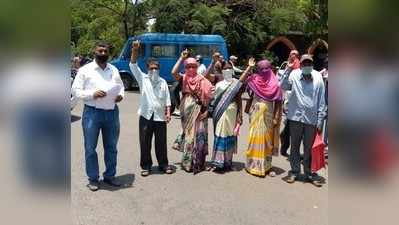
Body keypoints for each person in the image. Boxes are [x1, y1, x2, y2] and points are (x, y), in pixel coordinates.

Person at [72, 41, 124, 191]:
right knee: (90, 148)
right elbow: (75, 91)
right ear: (94, 52)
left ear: (109, 53)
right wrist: (92, 94)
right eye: (100, 51)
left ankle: (110, 176)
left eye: (105, 51)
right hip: (92, 113)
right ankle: (93, 178)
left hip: (112, 112)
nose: (103, 53)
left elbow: (120, 87)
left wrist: (120, 96)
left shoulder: (113, 69)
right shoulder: (85, 70)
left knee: (111, 147)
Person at [129, 40, 174, 177]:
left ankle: (163, 164)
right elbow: (133, 65)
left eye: (156, 68)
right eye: (151, 68)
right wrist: (135, 50)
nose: (154, 70)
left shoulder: (163, 82)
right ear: (147, 69)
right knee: (145, 142)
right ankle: (146, 165)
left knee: (161, 142)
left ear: (159, 69)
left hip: (160, 117)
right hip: (145, 116)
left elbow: (167, 99)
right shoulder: (143, 79)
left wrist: (168, 113)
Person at [281, 54, 326, 187]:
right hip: (295, 118)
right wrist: (287, 70)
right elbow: (283, 86)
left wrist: (320, 120)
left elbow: (321, 100)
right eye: (304, 63)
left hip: (311, 120)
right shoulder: (293, 74)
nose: (307, 66)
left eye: (309, 63)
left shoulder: (318, 77)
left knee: (309, 148)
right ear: (300, 65)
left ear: (312, 65)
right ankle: (294, 171)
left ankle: (309, 173)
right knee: (294, 146)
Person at [171, 49, 214, 174]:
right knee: (189, 135)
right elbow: (173, 72)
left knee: (199, 134)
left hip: (200, 109)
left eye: (193, 66)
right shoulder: (184, 78)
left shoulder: (202, 79)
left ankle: (198, 162)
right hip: (186, 107)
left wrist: (207, 110)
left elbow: (211, 94)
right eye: (188, 66)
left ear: (197, 66)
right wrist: (181, 58)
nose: (190, 68)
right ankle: (188, 162)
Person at [210, 58, 255, 172]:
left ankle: (228, 163)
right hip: (220, 113)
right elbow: (213, 98)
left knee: (230, 136)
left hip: (232, 114)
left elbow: (239, 98)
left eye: (230, 68)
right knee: (220, 134)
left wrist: (249, 67)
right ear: (222, 70)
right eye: (225, 68)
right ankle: (218, 163)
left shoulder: (236, 83)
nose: (228, 70)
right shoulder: (219, 84)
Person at [244, 59, 283, 177]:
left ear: (270, 69)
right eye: (262, 69)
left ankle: (267, 166)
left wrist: (276, 117)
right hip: (255, 114)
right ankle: (253, 165)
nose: (264, 71)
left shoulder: (275, 83)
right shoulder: (254, 79)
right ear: (258, 70)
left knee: (267, 141)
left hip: (269, 115)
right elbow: (241, 81)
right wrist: (249, 67)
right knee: (255, 138)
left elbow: (279, 102)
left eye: (267, 68)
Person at [280, 50, 301, 157]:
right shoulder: (288, 67)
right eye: (291, 54)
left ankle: (293, 151)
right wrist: (288, 68)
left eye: (295, 54)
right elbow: (282, 85)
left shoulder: (300, 68)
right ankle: (285, 147)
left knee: (294, 128)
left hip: (300, 103)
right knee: (289, 127)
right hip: (290, 102)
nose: (293, 56)